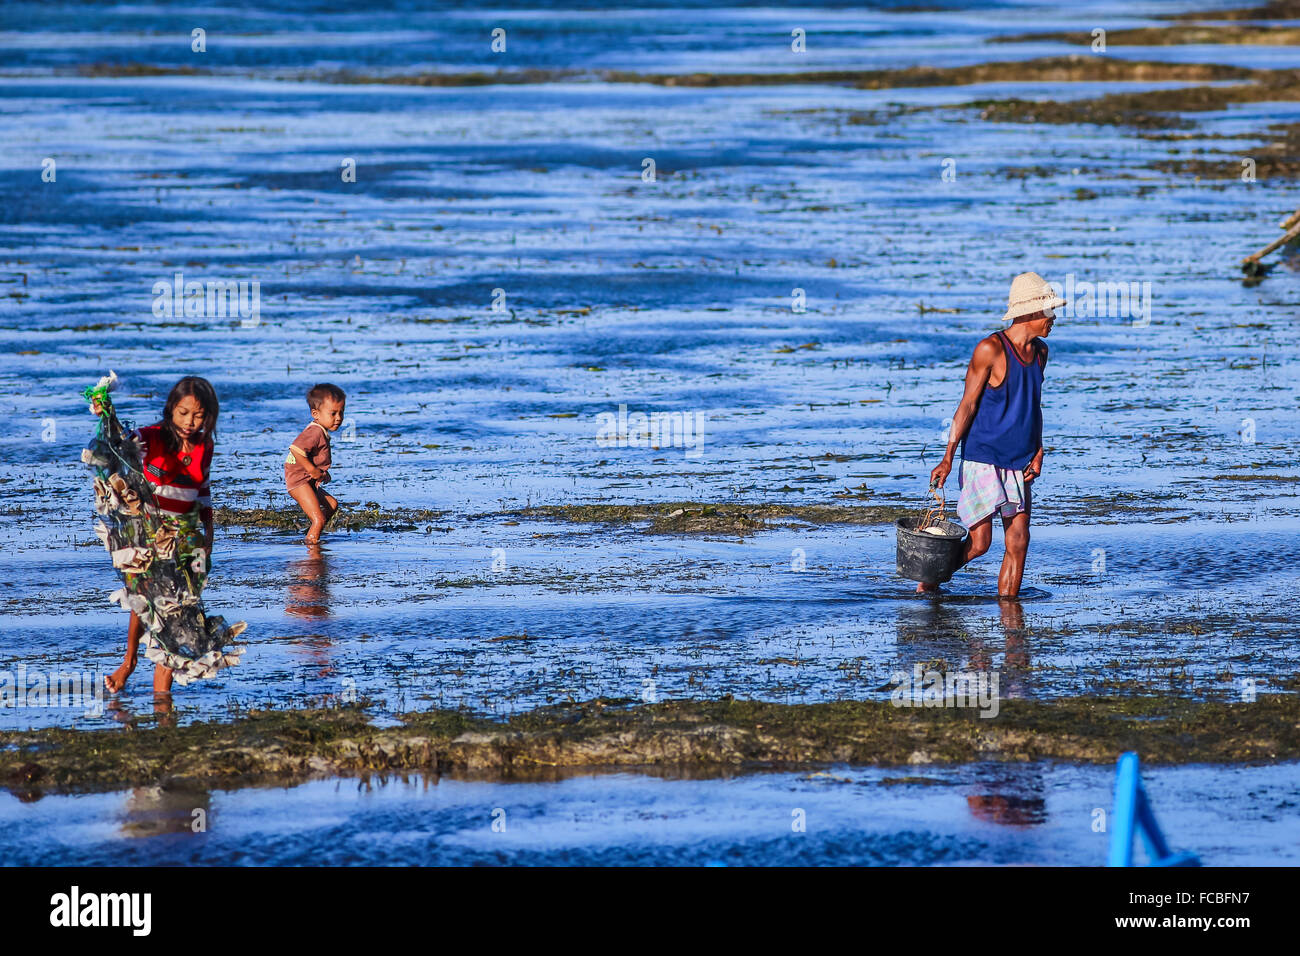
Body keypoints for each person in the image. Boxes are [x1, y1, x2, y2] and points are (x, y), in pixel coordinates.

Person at [86, 373, 243, 699]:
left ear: (209, 415)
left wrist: (208, 533)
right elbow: (119, 444)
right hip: (149, 535)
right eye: (184, 413)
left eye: (199, 415)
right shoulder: (152, 437)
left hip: (185, 539)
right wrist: (106, 413)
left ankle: (163, 705)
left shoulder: (205, 446)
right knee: (144, 598)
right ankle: (128, 662)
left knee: (178, 620)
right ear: (171, 410)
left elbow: (202, 490)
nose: (190, 421)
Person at [925, 272, 1063, 598]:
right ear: (1030, 313)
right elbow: (966, 406)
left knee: (1019, 540)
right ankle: (929, 581)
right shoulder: (990, 349)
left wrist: (1039, 449)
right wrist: (947, 458)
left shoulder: (1041, 353)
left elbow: (1034, 404)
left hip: (1019, 460)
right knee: (980, 543)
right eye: (1050, 311)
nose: (1054, 318)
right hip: (982, 457)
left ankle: (1010, 613)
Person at [285, 383, 345, 544]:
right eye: (333, 413)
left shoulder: (321, 431)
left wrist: (321, 471)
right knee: (318, 517)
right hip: (298, 481)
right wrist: (312, 470)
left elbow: (315, 456)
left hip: (307, 480)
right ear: (315, 413)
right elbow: (296, 449)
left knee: (332, 505)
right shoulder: (315, 431)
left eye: (341, 412)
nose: (338, 418)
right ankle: (311, 545)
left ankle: (313, 531)